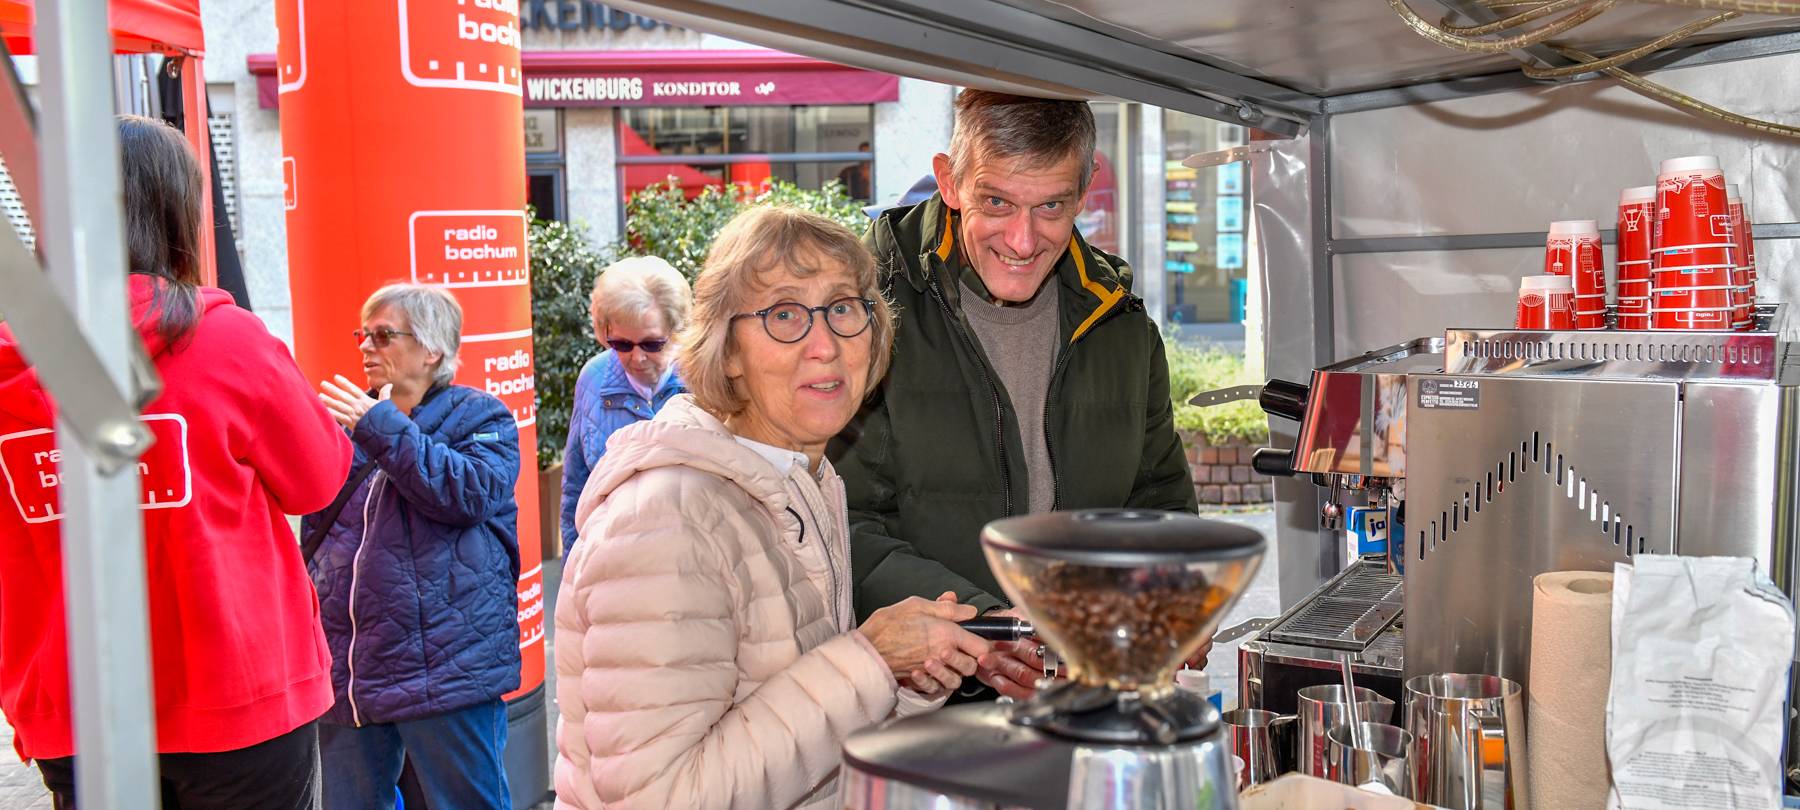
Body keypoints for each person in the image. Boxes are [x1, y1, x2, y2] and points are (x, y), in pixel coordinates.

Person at [554, 206, 991, 810]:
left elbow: (785, 730)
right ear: (726, 351)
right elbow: (657, 798)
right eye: (784, 314)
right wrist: (869, 660)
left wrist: (898, 681)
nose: (826, 346)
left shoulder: (803, 478)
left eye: (843, 308)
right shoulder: (667, 519)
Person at [0, 115, 350, 808]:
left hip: (73, 703)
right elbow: (318, 478)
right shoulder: (228, 344)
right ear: (177, 213)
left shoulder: (12, 360)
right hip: (240, 695)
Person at [834, 91, 1200, 700]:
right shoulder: (867, 311)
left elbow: (1157, 500)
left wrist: (1168, 593)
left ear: (1085, 192)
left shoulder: (1122, 326)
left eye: (1051, 206)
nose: (1024, 240)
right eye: (997, 202)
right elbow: (841, 524)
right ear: (950, 183)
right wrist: (986, 629)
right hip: (923, 702)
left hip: (1090, 687)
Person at [307, 283, 522, 810]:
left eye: (383, 335)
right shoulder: (349, 428)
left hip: (445, 667)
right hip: (353, 667)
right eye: (363, 334)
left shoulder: (482, 417)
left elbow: (466, 494)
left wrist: (379, 426)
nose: (365, 347)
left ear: (432, 351)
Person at [560, 255, 690, 555]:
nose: (637, 357)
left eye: (652, 344)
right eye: (621, 344)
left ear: (678, 329)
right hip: (612, 562)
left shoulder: (706, 380)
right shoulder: (593, 378)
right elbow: (575, 489)